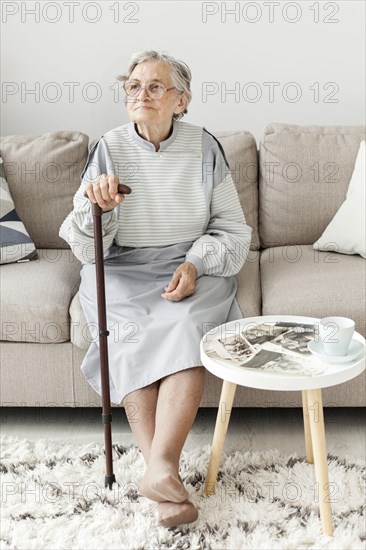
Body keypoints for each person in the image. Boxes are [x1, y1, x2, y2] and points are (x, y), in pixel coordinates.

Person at [59, 50, 252, 528]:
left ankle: (159, 474)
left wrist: (194, 262)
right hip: (122, 268)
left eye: (154, 86)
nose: (140, 94)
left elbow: (233, 232)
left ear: (180, 101)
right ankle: (163, 474)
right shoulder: (108, 148)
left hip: (188, 264)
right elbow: (86, 246)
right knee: (127, 334)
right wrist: (95, 206)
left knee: (188, 328)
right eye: (133, 86)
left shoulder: (205, 147)